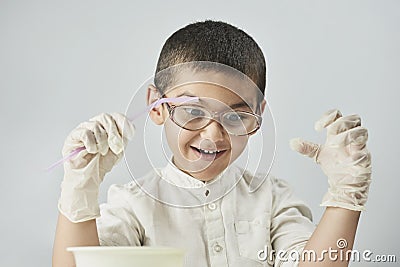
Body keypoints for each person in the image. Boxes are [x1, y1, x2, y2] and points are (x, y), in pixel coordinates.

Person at [52, 20, 371, 267]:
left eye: (236, 117)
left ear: (258, 115)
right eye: (192, 111)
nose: (213, 136)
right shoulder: (134, 205)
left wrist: (346, 195)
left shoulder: (272, 199)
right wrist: (79, 191)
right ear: (157, 105)